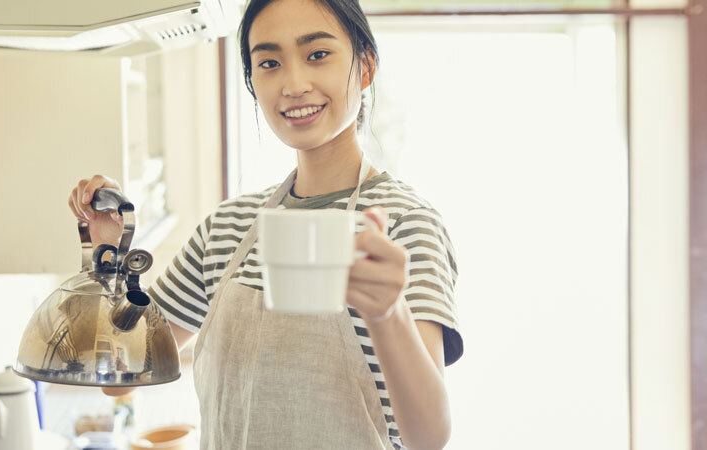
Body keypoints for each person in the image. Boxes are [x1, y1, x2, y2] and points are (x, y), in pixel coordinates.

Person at [67, 0, 462, 448]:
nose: (293, 84)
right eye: (269, 63)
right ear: (253, 83)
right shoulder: (226, 227)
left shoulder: (404, 226)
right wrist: (108, 255)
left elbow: (428, 438)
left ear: (366, 66)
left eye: (317, 55)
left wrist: (386, 313)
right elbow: (119, 375)